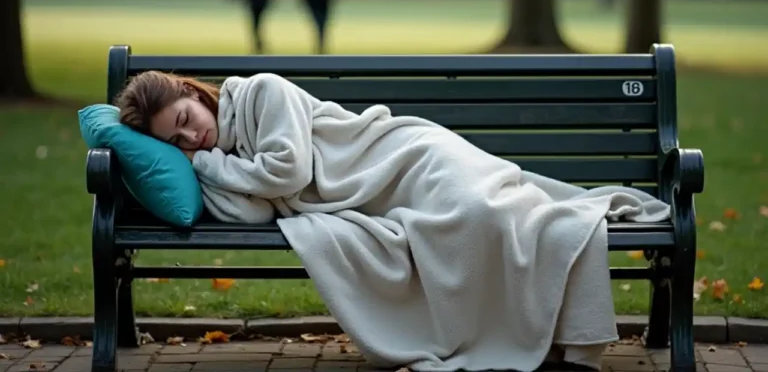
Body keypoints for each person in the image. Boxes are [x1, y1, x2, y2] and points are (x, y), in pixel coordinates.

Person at [114, 71, 671, 372]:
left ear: (192, 92)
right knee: (470, 226)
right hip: (381, 200)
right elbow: (255, 207)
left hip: (407, 158)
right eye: (177, 142)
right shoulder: (228, 162)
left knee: (491, 214)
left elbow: (286, 171)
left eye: (186, 121)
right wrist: (211, 167)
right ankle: (552, 341)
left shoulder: (261, 92)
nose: (193, 139)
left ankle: (576, 347)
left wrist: (209, 164)